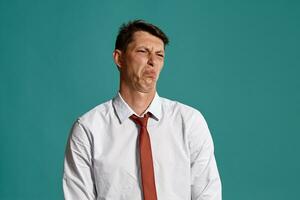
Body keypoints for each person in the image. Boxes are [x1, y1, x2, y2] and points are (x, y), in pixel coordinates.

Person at [63, 19, 222, 200]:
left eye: (160, 55)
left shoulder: (190, 122)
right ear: (119, 58)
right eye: (143, 51)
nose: (152, 61)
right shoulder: (88, 129)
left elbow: (208, 194)